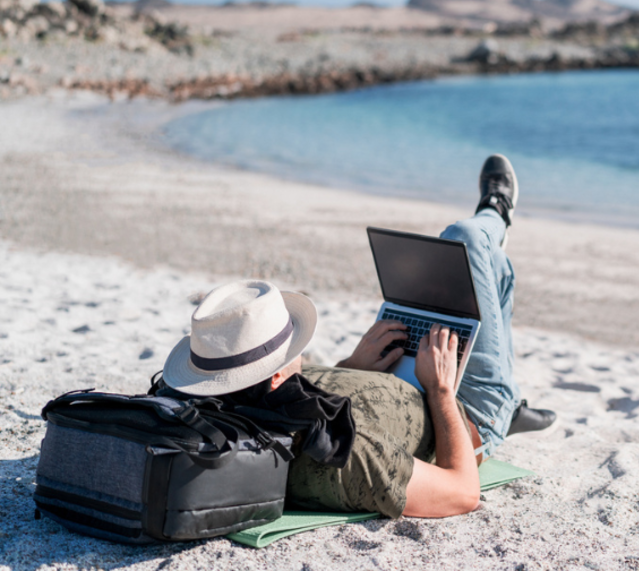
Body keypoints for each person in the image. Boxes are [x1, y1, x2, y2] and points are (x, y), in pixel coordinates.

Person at [156, 155, 554, 519]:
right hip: (468, 410)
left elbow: (293, 391)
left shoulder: (231, 404)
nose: (299, 348)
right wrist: (442, 393)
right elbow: (462, 492)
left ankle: (494, 237)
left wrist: (351, 367)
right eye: (290, 343)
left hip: (404, 376)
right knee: (466, 239)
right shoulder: (342, 449)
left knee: (479, 269)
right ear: (276, 375)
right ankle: (495, 212)